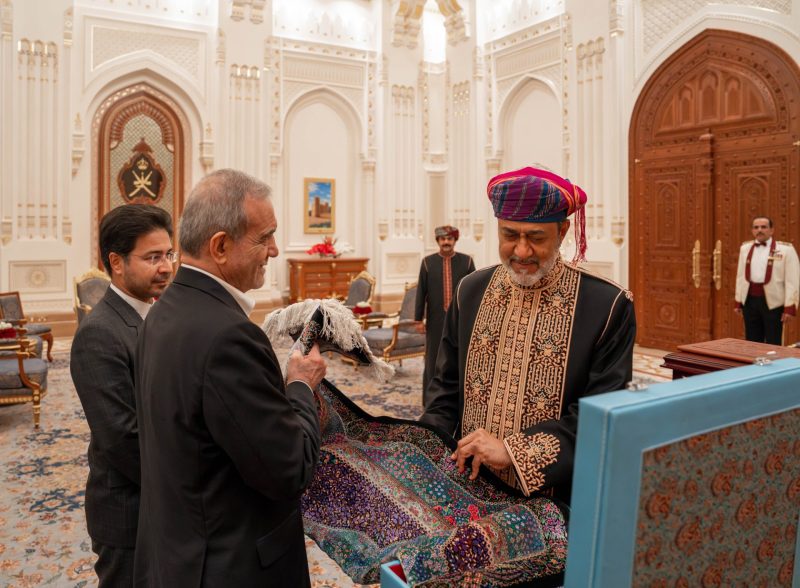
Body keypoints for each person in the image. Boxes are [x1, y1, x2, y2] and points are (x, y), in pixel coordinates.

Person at [133, 169, 327, 587]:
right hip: (229, 566)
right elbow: (288, 468)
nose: (275, 250)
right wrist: (299, 384)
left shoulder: (162, 311)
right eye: (265, 237)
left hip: (178, 552)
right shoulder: (229, 336)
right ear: (220, 246)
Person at [420, 166, 636, 502]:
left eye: (535, 237)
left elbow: (599, 418)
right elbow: (445, 390)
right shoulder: (470, 290)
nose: (521, 251)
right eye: (510, 235)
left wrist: (515, 452)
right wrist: (425, 451)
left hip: (554, 500)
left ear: (562, 231)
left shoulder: (607, 306)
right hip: (466, 488)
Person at [70, 204, 175, 587]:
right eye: (152, 258)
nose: (165, 266)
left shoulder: (154, 313)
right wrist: (188, 485)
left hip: (158, 503)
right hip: (129, 511)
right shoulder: (99, 333)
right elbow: (122, 438)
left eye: (168, 254)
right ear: (116, 261)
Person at [414, 225, 475, 397]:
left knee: (458, 355)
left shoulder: (467, 261)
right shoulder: (427, 262)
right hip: (435, 319)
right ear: (438, 241)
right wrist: (418, 319)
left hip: (460, 319)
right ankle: (430, 398)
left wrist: (473, 317)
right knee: (433, 357)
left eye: (449, 238)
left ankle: (458, 396)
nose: (446, 242)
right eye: (442, 239)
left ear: (455, 240)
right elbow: (421, 291)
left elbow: (473, 292)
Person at [734, 216, 799, 345]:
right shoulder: (745, 248)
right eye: (756, 227)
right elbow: (740, 276)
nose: (760, 230)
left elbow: (793, 280)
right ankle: (753, 364)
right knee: (752, 341)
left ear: (771, 230)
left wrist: (789, 307)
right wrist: (738, 301)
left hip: (773, 303)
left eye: (764, 227)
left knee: (773, 341)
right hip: (750, 301)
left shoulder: (786, 250)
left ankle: (775, 364)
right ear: (752, 230)